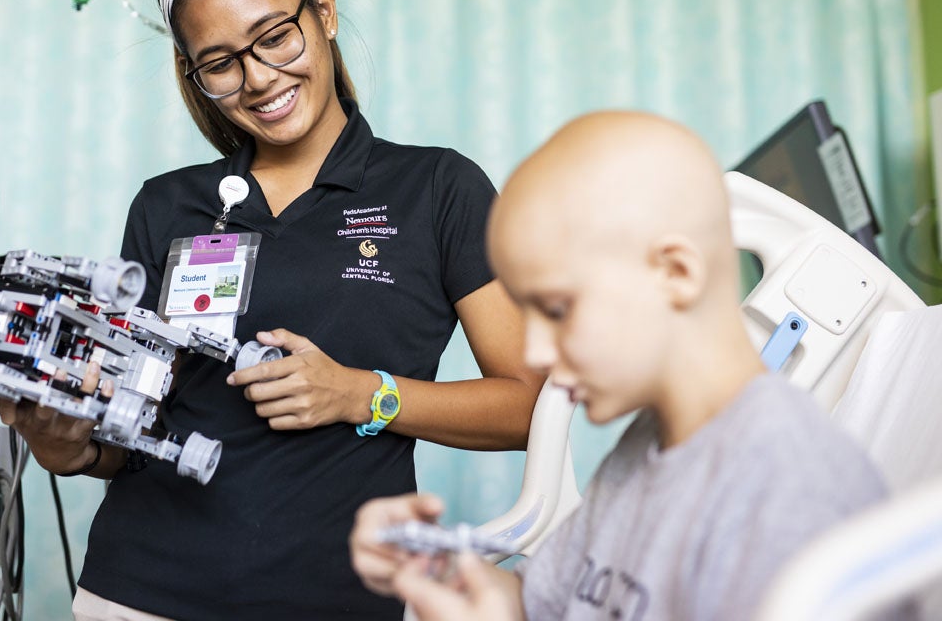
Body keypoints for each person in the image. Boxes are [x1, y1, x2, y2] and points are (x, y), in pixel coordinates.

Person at [0, 0, 543, 620]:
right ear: (194, 75)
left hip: (336, 596)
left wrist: (362, 394)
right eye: (219, 63)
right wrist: (69, 448)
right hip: (137, 593)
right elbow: (132, 432)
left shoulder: (436, 188)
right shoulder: (167, 206)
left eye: (275, 37)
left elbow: (532, 407)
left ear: (324, 12)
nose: (257, 80)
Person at [350, 110, 900, 621]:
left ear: (676, 274)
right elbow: (543, 604)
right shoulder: (650, 447)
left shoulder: (788, 494)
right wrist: (441, 567)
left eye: (558, 309)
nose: (536, 353)